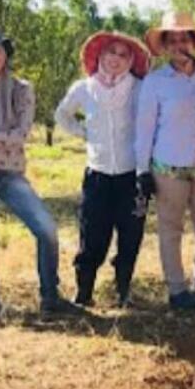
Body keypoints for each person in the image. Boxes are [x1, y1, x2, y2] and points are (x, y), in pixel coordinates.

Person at [135, 11, 195, 310]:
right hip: (168, 170)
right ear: (164, 45)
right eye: (172, 39)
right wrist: (142, 171)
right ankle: (177, 289)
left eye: (184, 38)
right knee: (170, 229)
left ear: (193, 42)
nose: (179, 44)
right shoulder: (155, 82)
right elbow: (145, 127)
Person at [54, 31, 150, 308]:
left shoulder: (140, 88)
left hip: (132, 174)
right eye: (111, 52)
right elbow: (62, 114)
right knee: (92, 232)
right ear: (100, 55)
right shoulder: (84, 88)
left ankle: (123, 292)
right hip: (97, 173)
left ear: (131, 60)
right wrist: (84, 133)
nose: (116, 59)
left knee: (130, 234)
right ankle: (84, 293)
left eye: (123, 54)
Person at [0, 28, 74, 317]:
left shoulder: (22, 89)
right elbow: (10, 134)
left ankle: (50, 296)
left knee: (46, 229)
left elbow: (22, 131)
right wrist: (3, 137)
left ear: (6, 54)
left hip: (10, 173)